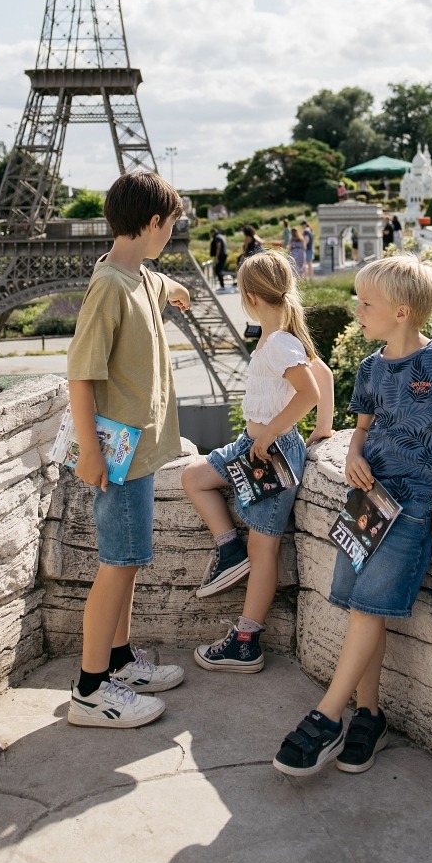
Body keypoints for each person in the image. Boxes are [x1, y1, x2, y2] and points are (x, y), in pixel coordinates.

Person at [272, 253, 432, 778]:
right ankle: (369, 715)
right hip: (368, 501)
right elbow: (362, 431)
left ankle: (326, 718)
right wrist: (351, 455)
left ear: (403, 312)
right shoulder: (369, 369)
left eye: (367, 303)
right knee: (358, 606)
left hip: (413, 507)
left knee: (368, 609)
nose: (356, 309)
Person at [64, 170, 192, 729]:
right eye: (170, 226)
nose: (172, 235)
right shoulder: (110, 289)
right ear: (152, 223)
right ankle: (91, 690)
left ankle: (117, 661)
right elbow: (81, 376)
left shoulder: (137, 276)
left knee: (130, 561)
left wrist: (175, 288)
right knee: (116, 565)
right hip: (116, 457)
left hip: (137, 453)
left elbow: (156, 286)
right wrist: (89, 452)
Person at [181, 250, 334, 673]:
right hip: (256, 444)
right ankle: (230, 551)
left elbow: (309, 392)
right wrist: (322, 429)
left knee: (263, 548)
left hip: (272, 450)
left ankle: (246, 641)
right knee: (194, 477)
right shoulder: (281, 339)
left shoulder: (280, 343)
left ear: (248, 296)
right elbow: (325, 377)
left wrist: (273, 432)